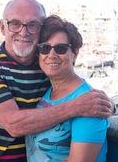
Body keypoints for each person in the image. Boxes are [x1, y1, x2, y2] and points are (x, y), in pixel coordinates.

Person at [0, 0, 113, 162]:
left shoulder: (45, 67)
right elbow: (14, 124)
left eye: (32, 25)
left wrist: (103, 103)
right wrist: (78, 106)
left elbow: (74, 88)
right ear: (3, 27)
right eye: (15, 23)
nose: (23, 32)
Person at [26, 15, 109, 162]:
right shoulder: (48, 92)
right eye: (45, 48)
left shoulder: (89, 103)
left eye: (61, 48)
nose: (51, 55)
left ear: (74, 54)